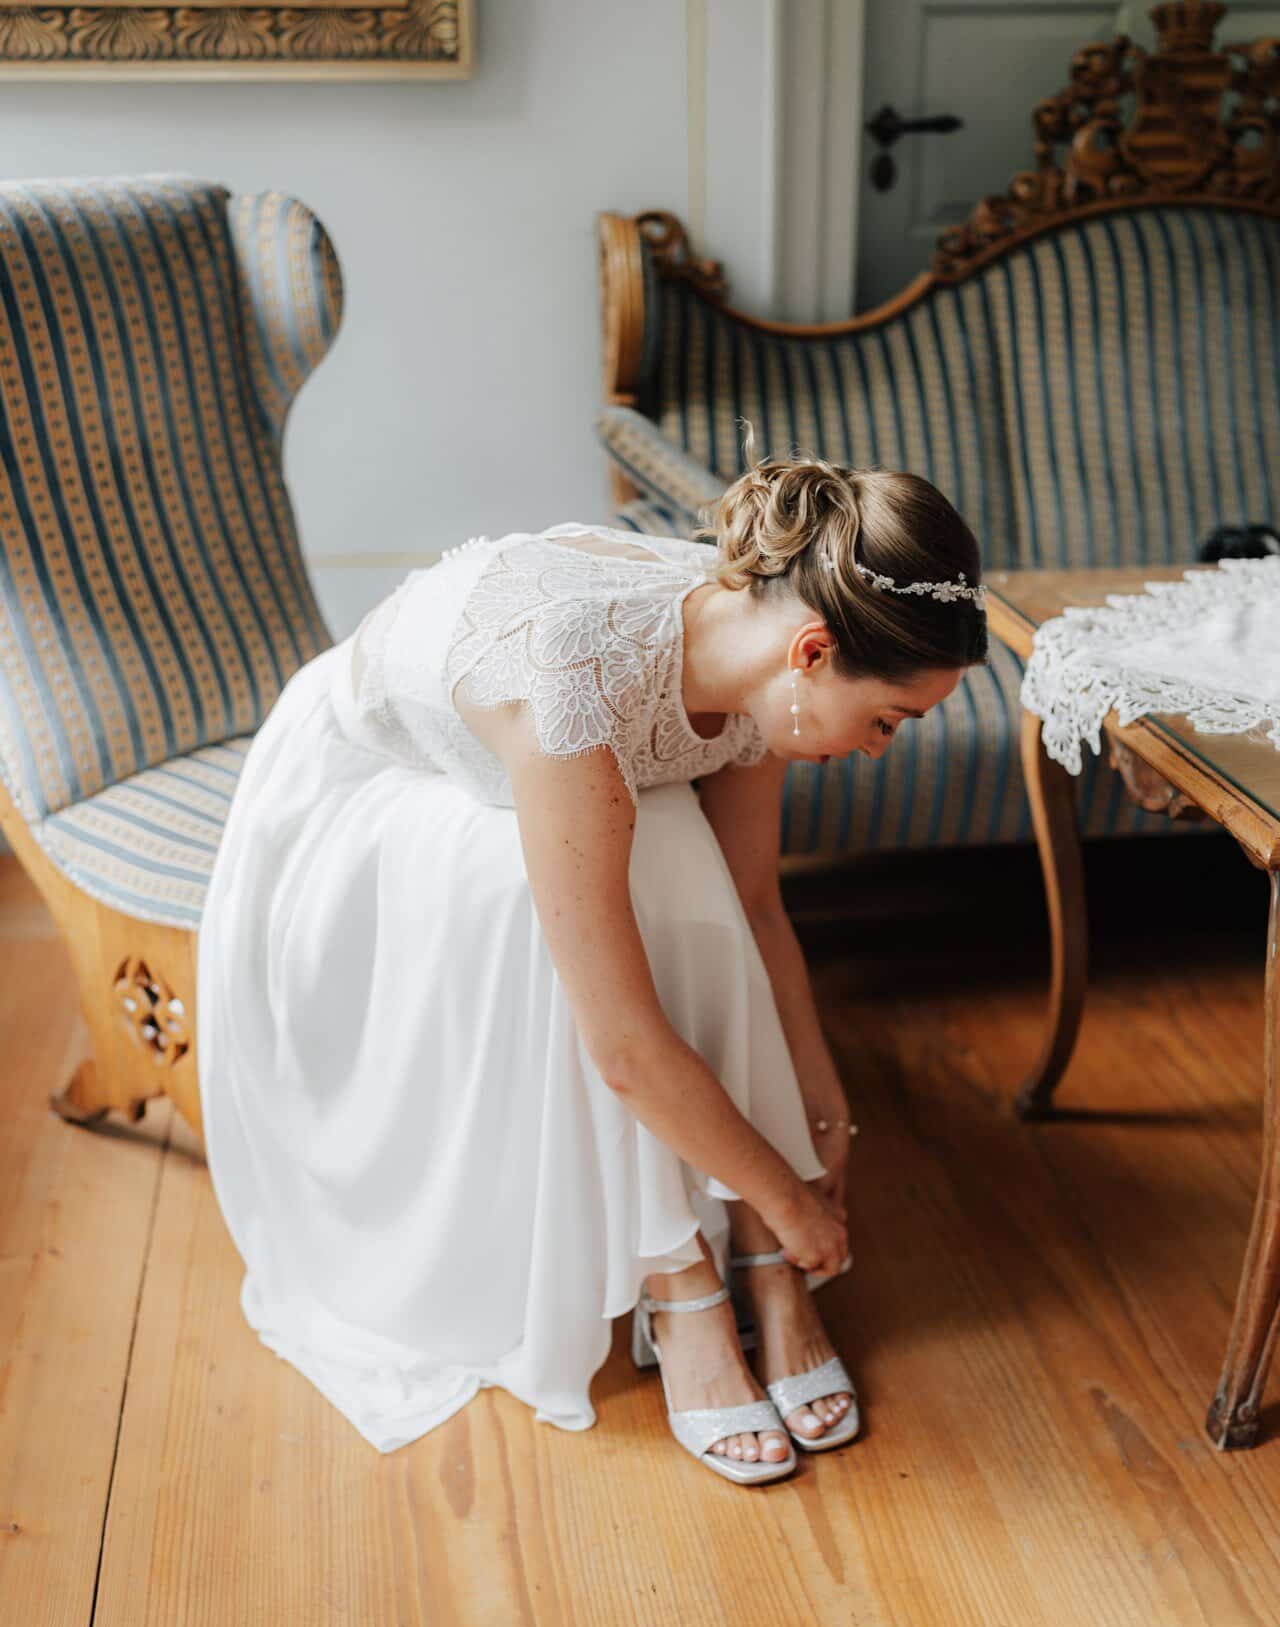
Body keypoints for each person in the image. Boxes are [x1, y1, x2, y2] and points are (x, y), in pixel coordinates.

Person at [196, 436, 988, 1486]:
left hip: (547, 774)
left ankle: (760, 1263)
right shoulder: (575, 685)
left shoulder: (758, 678)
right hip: (363, 793)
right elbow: (619, 1045)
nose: (882, 743)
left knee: (689, 867)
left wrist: (816, 1111)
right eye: (886, 718)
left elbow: (756, 909)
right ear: (810, 654)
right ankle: (681, 1282)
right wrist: (795, 1200)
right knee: (599, 893)